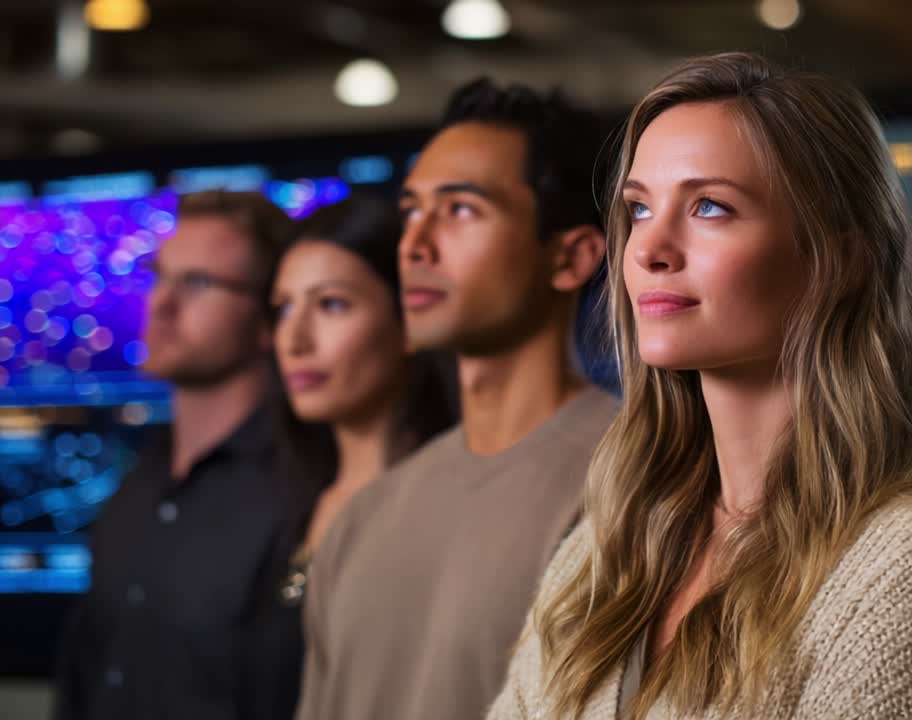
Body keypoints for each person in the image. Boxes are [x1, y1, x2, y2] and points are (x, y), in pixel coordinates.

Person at [490, 52, 912, 720]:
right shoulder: (611, 546)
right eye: (639, 209)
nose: (650, 249)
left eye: (709, 206)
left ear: (839, 261)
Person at [294, 79, 618, 720]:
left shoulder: (636, 482)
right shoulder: (365, 518)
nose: (414, 244)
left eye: (461, 209)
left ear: (572, 256)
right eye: (412, 210)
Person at [53, 190, 303, 720]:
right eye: (160, 275)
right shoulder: (136, 485)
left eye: (198, 283)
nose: (161, 304)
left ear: (267, 319)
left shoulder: (299, 492)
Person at [246, 193, 457, 718]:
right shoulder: (283, 499)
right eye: (283, 308)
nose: (293, 339)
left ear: (410, 319)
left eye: (331, 304)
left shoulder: (447, 509)